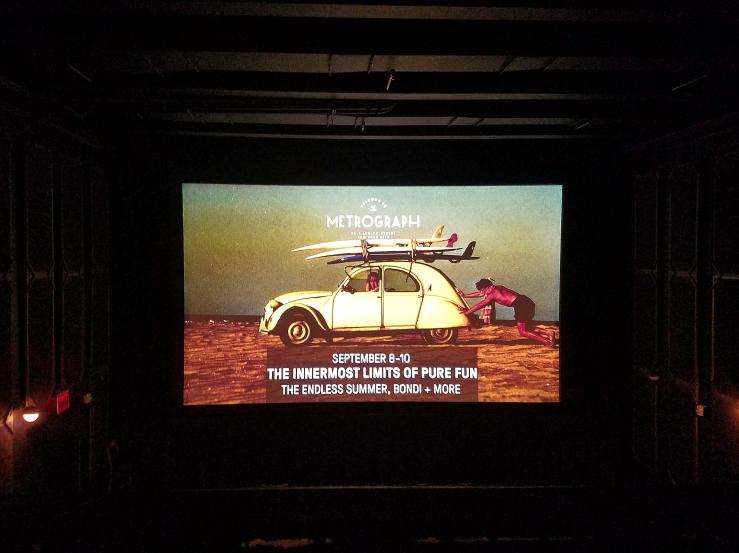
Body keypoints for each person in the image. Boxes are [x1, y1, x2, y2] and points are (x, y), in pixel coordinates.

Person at [460, 278, 555, 346]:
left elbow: (480, 305)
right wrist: (465, 296)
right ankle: (548, 333)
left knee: (523, 331)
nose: (481, 292)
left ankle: (547, 342)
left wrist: (467, 313)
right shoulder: (498, 287)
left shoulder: (493, 294)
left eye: (482, 290)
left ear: (486, 287)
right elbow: (480, 294)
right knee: (526, 327)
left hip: (521, 306)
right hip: (526, 301)